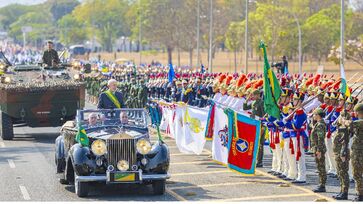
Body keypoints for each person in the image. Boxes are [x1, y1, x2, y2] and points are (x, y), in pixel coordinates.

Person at [310, 108, 327, 192]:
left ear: (318, 115)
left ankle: (322, 185)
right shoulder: (318, 124)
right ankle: (321, 184)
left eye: (314, 114)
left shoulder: (320, 125)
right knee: (319, 167)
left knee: (321, 167)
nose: (313, 116)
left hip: (319, 148)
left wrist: (319, 150)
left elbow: (320, 138)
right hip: (317, 148)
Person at [351, 103, 363, 201]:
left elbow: (350, 124)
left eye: (355, 111)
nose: (354, 113)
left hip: (359, 153)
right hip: (358, 151)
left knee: (357, 173)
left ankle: (360, 194)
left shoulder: (361, 122)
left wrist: (343, 119)